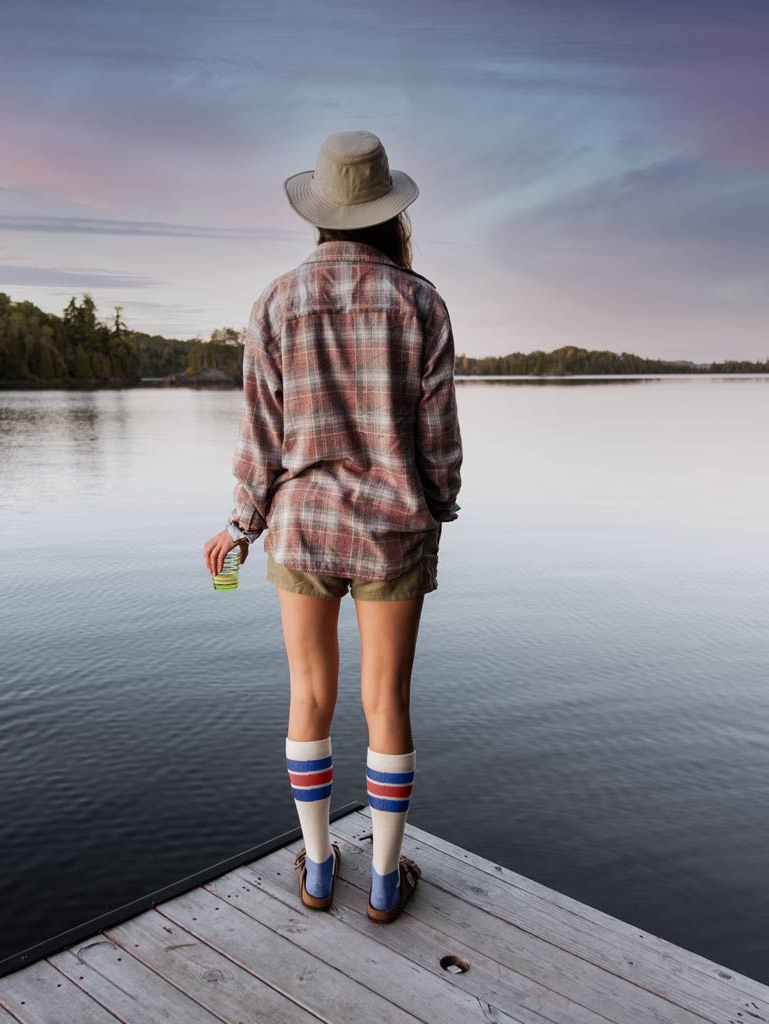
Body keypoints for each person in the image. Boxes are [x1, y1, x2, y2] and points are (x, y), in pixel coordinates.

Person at [203, 130, 463, 923]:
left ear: (320, 211)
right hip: (394, 531)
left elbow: (261, 434)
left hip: (303, 527)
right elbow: (439, 441)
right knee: (387, 700)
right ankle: (385, 879)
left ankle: (319, 869)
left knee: (308, 695)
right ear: (389, 212)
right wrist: (436, 510)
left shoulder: (275, 300)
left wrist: (242, 524)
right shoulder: (422, 301)